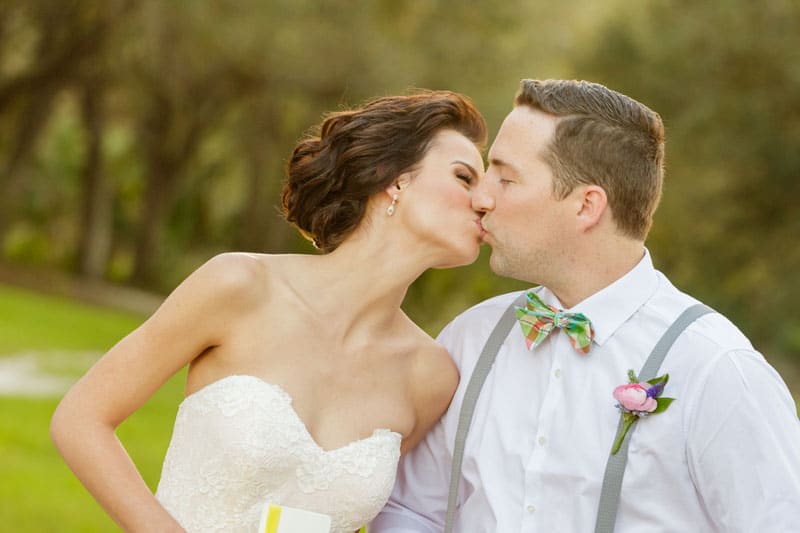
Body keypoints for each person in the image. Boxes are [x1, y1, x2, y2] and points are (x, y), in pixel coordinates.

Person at [50, 90, 488, 533]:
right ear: (394, 179)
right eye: (464, 177)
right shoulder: (239, 286)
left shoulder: (430, 378)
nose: (485, 200)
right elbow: (81, 419)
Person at [372, 79, 800, 532]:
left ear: (586, 206)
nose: (481, 197)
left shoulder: (716, 368)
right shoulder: (469, 339)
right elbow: (411, 511)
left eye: (506, 177)